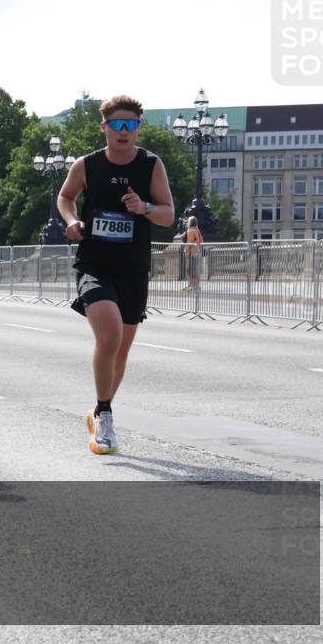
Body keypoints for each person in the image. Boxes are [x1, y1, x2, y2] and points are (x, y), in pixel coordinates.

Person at [57, 94, 175, 455]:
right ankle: (105, 416)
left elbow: (169, 215)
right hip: (94, 262)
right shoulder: (87, 165)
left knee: (120, 350)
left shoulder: (150, 165)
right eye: (118, 125)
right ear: (104, 127)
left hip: (133, 266)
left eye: (132, 125)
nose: (125, 132)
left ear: (138, 128)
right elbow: (65, 198)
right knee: (108, 337)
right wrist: (72, 220)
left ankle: (98, 408)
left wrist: (144, 207)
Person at [184, 216, 204, 291]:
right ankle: (196, 286)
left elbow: (189, 242)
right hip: (198, 252)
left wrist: (187, 251)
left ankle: (191, 285)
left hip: (191, 253)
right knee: (196, 270)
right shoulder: (197, 231)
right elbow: (201, 241)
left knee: (190, 270)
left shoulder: (190, 230)